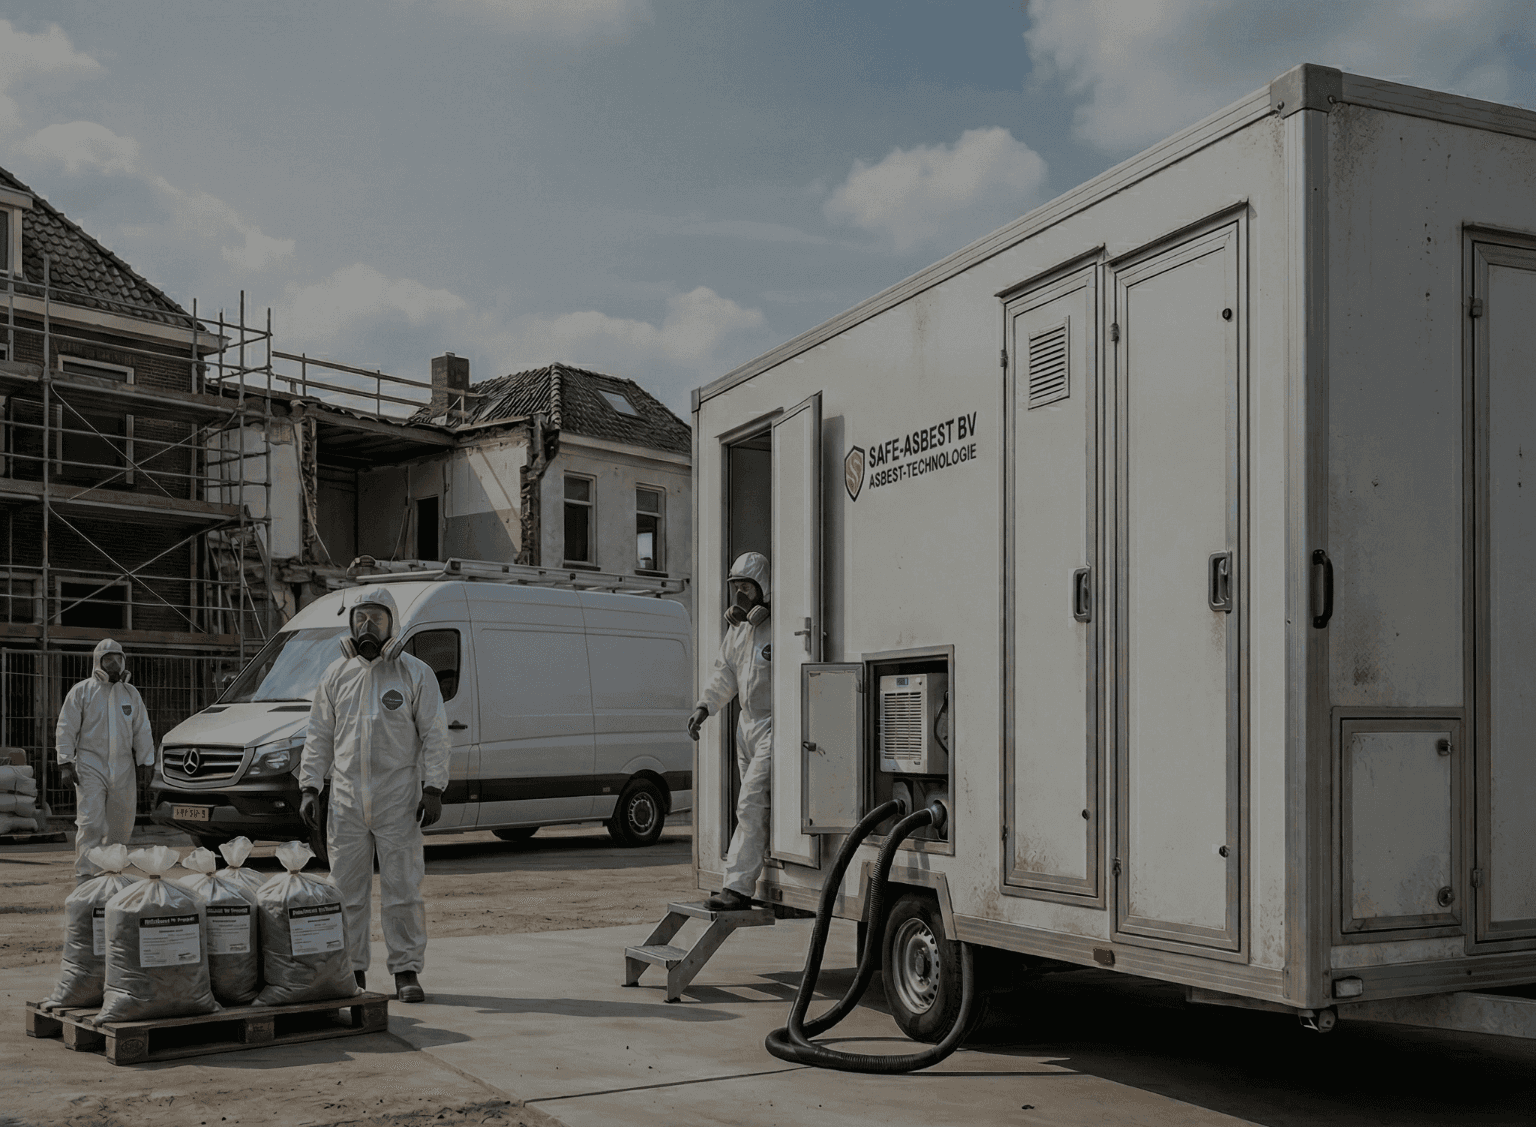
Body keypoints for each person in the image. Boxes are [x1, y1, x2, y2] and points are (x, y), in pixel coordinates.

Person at [298, 585, 450, 1003]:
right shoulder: (335, 676)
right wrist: (310, 785)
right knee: (345, 890)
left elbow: (436, 735)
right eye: (361, 619)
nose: (368, 627)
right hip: (346, 797)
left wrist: (434, 787)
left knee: (402, 888)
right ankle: (352, 972)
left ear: (393, 624)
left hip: (399, 797)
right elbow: (319, 736)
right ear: (350, 625)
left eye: (376, 620)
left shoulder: (414, 674)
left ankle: (406, 971)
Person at [688, 552, 773, 912]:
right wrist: (704, 706)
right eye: (736, 587)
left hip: (774, 724)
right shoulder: (738, 631)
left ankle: (737, 888)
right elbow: (725, 673)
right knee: (753, 806)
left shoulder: (778, 627)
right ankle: (755, 870)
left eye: (747, 587)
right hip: (746, 725)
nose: (740, 595)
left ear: (762, 589)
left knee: (750, 802)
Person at [55, 638, 155, 881]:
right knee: (91, 823)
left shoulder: (130, 694)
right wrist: (65, 763)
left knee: (122, 822)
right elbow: (66, 727)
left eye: (118, 659)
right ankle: (85, 878)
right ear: (97, 662)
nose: (113, 664)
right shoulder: (82, 691)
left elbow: (142, 730)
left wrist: (146, 762)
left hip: (123, 767)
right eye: (108, 659)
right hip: (90, 765)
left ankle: (111, 873)